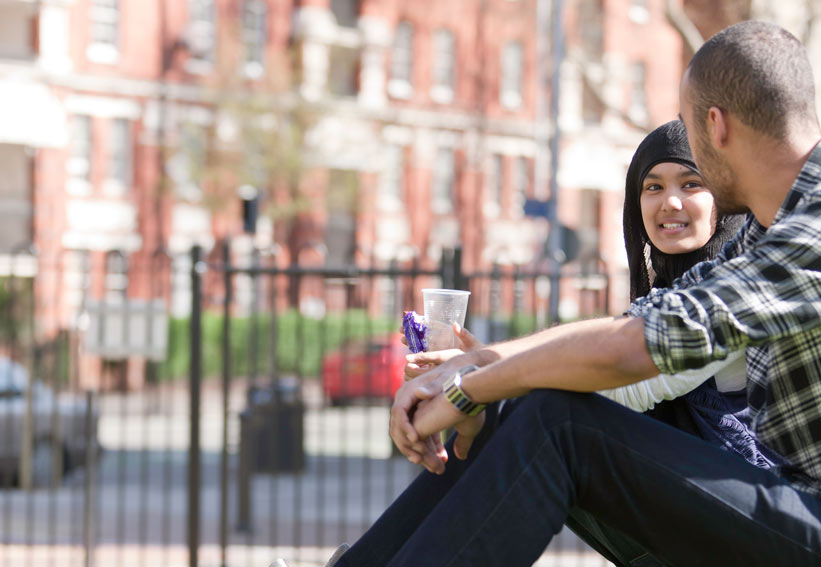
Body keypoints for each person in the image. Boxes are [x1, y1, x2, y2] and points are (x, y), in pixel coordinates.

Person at [368, 20, 821, 566]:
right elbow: (643, 320)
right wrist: (475, 365)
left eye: (689, 152)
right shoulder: (776, 230)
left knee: (561, 425)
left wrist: (469, 386)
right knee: (540, 413)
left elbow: (638, 348)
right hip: (810, 525)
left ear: (715, 127)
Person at [329, 120, 774, 567]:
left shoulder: (731, 284)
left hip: (747, 524)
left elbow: (620, 379)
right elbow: (600, 351)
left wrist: (479, 380)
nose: (669, 201)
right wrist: (477, 382)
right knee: (510, 417)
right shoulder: (669, 292)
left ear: (723, 194)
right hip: (687, 512)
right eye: (652, 186)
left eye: (691, 183)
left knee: (548, 418)